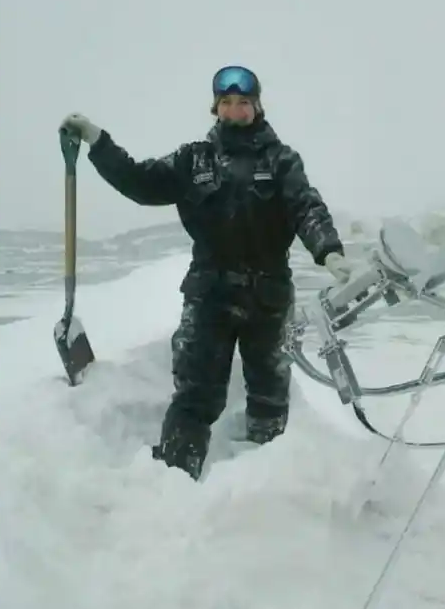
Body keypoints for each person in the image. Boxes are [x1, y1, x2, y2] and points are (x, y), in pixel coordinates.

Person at [59, 65, 352, 479]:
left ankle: (272, 491)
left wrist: (330, 251)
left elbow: (307, 207)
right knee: (196, 394)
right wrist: (98, 142)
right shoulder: (192, 159)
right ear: (216, 107)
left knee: (269, 396)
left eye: (243, 103)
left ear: (257, 106)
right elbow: (139, 182)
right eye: (227, 103)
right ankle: (175, 482)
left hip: (267, 297)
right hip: (209, 294)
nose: (235, 110)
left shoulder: (282, 160)